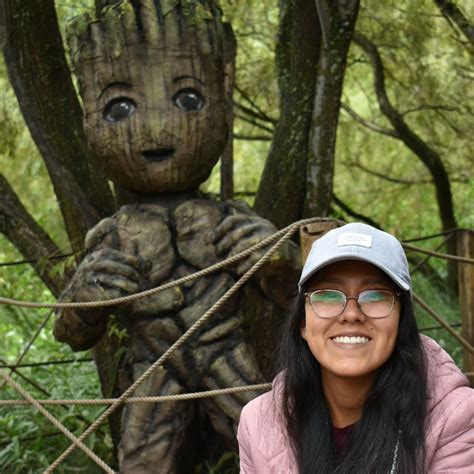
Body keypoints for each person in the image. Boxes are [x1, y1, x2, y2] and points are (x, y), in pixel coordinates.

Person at [237, 222, 474, 473]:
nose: (351, 314)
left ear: (401, 322)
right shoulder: (258, 423)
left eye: (375, 296)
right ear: (303, 324)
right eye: (327, 295)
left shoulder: (456, 417)